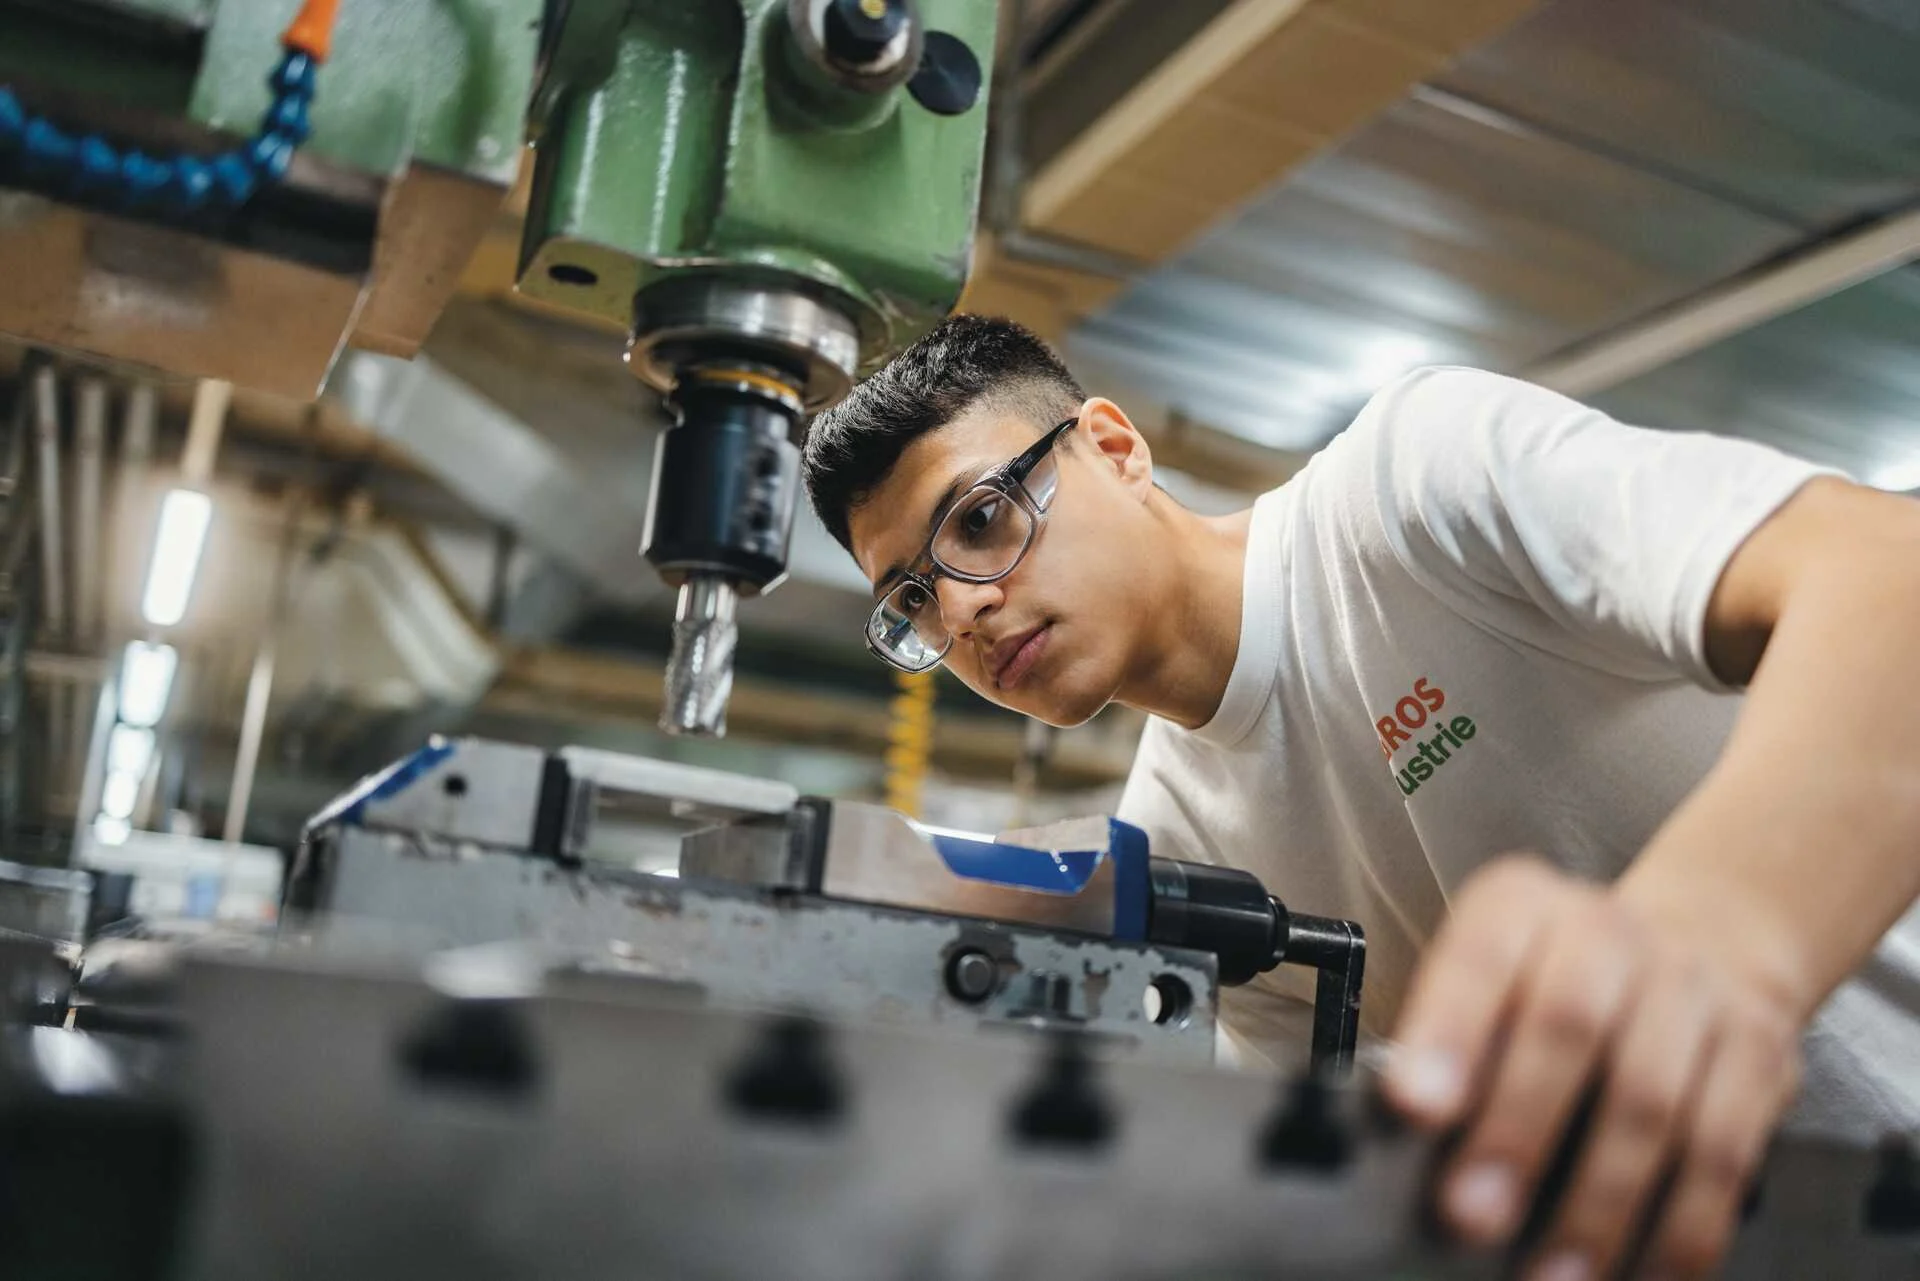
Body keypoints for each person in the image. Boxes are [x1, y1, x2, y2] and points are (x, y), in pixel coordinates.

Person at [800, 313, 1920, 1281]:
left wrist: (1720, 935)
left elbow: (1891, 574)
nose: (964, 615)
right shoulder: (1172, 848)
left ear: (1113, 447)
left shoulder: (1413, 490)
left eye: (980, 520)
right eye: (913, 600)